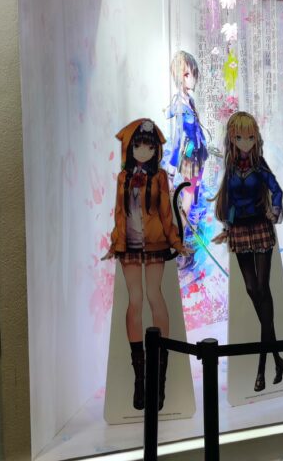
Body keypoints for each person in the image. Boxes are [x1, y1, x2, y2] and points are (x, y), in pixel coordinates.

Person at [102, 118, 191, 410]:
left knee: (154, 296)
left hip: (154, 244)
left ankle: (159, 380)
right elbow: (119, 214)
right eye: (138, 145)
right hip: (129, 245)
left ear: (156, 150)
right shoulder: (122, 178)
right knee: (135, 301)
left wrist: (176, 242)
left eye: (149, 147)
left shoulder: (160, 177)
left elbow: (166, 213)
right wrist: (115, 243)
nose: (143, 151)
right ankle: (139, 380)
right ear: (129, 148)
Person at [211, 112, 283, 393]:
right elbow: (229, 201)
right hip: (240, 230)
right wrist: (227, 227)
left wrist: (274, 210)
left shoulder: (259, 165)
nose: (245, 142)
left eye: (250, 137)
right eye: (239, 137)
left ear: (256, 138)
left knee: (262, 288)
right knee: (252, 289)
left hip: (260, 227)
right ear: (232, 138)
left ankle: (262, 367)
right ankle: (277, 357)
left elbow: (276, 190)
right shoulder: (231, 168)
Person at [165, 51, 209, 220]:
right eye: (186, 74)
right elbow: (177, 140)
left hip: (199, 152)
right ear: (178, 76)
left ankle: (192, 220)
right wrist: (170, 173)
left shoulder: (190, 100)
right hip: (190, 155)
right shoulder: (179, 106)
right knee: (188, 195)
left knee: (194, 191)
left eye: (193, 74)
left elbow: (197, 128)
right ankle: (182, 230)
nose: (192, 79)